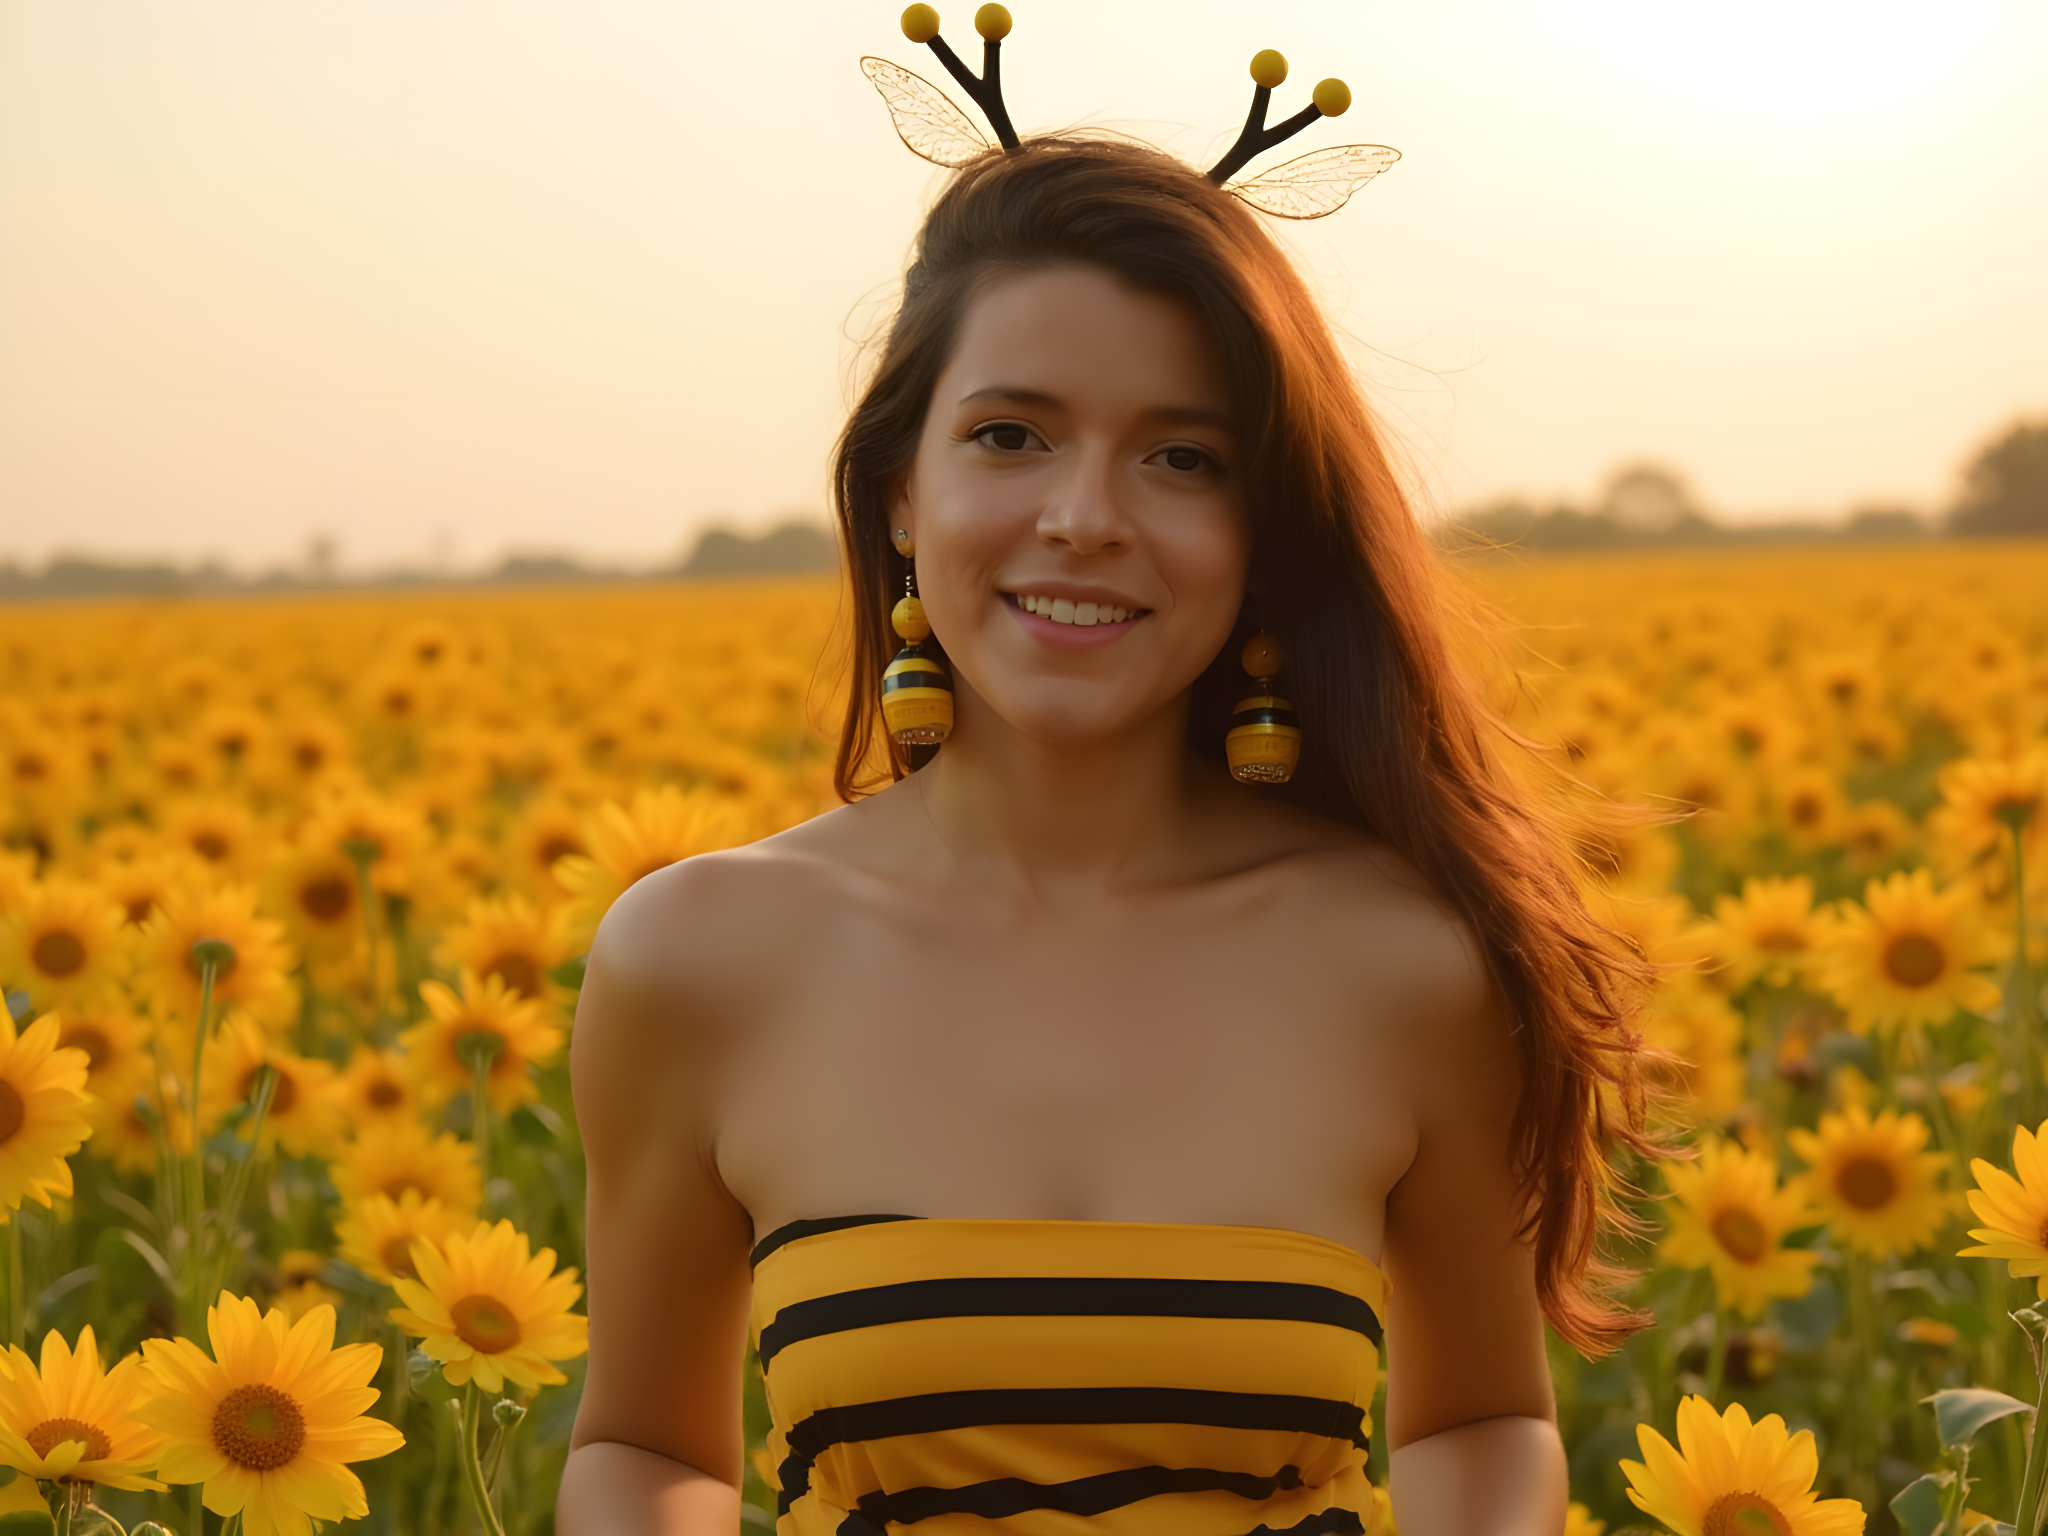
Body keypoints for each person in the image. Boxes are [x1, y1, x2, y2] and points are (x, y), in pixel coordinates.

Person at [560, 45, 1651, 1536]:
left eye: (1182, 459)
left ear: (1264, 527)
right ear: (898, 487)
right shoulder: (697, 960)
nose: (1084, 519)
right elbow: (647, 1453)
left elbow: (1482, 1419)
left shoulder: (1403, 958)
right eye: (1012, 435)